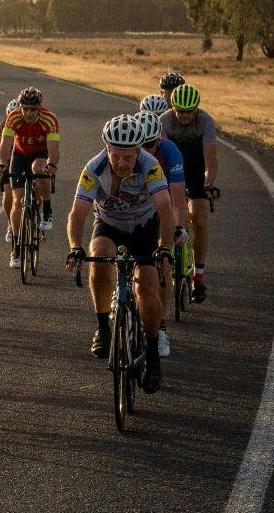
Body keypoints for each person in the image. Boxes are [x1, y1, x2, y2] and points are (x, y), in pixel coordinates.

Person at [64, 113, 187, 394]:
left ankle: (153, 354)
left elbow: (165, 210)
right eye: (116, 156)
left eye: (128, 157)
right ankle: (103, 328)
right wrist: (75, 247)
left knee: (147, 287)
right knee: (99, 255)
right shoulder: (93, 168)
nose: (121, 163)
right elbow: (77, 214)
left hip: (145, 226)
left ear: (138, 152)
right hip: (110, 225)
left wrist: (164, 249)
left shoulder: (151, 166)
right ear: (107, 149)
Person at [137, 94, 190, 358]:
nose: (145, 151)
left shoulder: (169, 151)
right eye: (141, 145)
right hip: (135, 208)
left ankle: (160, 326)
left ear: (158, 140)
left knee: (162, 266)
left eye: (150, 145)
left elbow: (178, 200)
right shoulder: (126, 152)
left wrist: (179, 227)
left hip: (162, 204)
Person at [161, 84, 218, 301]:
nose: (184, 116)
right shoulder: (164, 121)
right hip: (171, 172)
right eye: (180, 111)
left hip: (195, 172)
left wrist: (208, 184)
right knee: (166, 217)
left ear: (197, 108)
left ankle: (199, 277)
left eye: (189, 111)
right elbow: (160, 158)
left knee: (199, 220)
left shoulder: (205, 121)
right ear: (173, 107)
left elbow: (210, 160)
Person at [0, 86, 60, 247]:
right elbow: (5, 146)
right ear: (20, 107)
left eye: (33, 109)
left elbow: (54, 148)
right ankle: (16, 246)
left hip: (40, 153)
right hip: (20, 155)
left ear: (39, 108)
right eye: (25, 108)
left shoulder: (49, 119)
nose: (29, 113)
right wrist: (3, 165)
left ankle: (46, 208)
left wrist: (51, 164)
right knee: (17, 201)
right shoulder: (13, 117)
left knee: (39, 169)